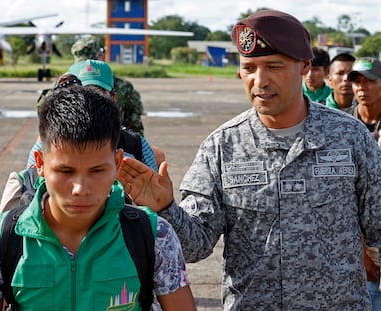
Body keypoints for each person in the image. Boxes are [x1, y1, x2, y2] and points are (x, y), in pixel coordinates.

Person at [117, 10, 381, 310]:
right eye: (249, 67)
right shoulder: (221, 147)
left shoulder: (349, 137)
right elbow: (195, 245)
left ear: (304, 67)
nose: (260, 80)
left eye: (273, 66)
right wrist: (164, 208)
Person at [0, 86, 196, 310]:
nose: (80, 189)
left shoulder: (154, 236)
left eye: (97, 171)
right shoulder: (0, 242)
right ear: (40, 164)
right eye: (65, 171)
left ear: (117, 163)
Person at [27, 62, 158, 172]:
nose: (90, 102)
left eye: (98, 94)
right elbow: (31, 193)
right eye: (66, 171)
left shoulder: (137, 146)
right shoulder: (45, 146)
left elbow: (153, 194)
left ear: (114, 98)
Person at [347, 58, 381, 310]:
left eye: (370, 81)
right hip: (353, 239)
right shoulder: (339, 126)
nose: (362, 87)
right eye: (357, 82)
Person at [72, 36, 145, 135]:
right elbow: (135, 127)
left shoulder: (61, 86)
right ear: (100, 56)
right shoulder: (123, 86)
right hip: (114, 145)